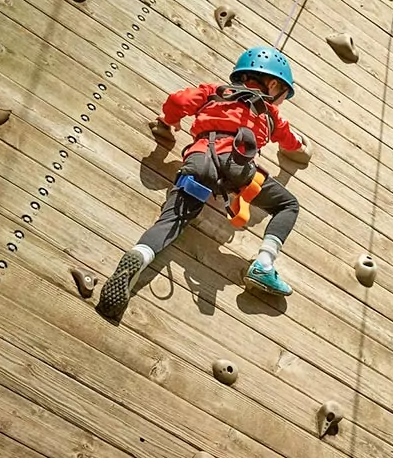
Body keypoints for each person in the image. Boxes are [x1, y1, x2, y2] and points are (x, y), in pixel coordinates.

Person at [96, 46, 311, 320]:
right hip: (239, 166)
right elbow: (292, 143)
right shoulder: (271, 114)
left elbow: (177, 100)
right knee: (288, 205)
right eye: (282, 94)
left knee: (170, 222)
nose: (281, 101)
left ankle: (141, 253)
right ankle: (264, 264)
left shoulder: (214, 92)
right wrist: (301, 148)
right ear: (273, 84)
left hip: (199, 160)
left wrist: (168, 123)